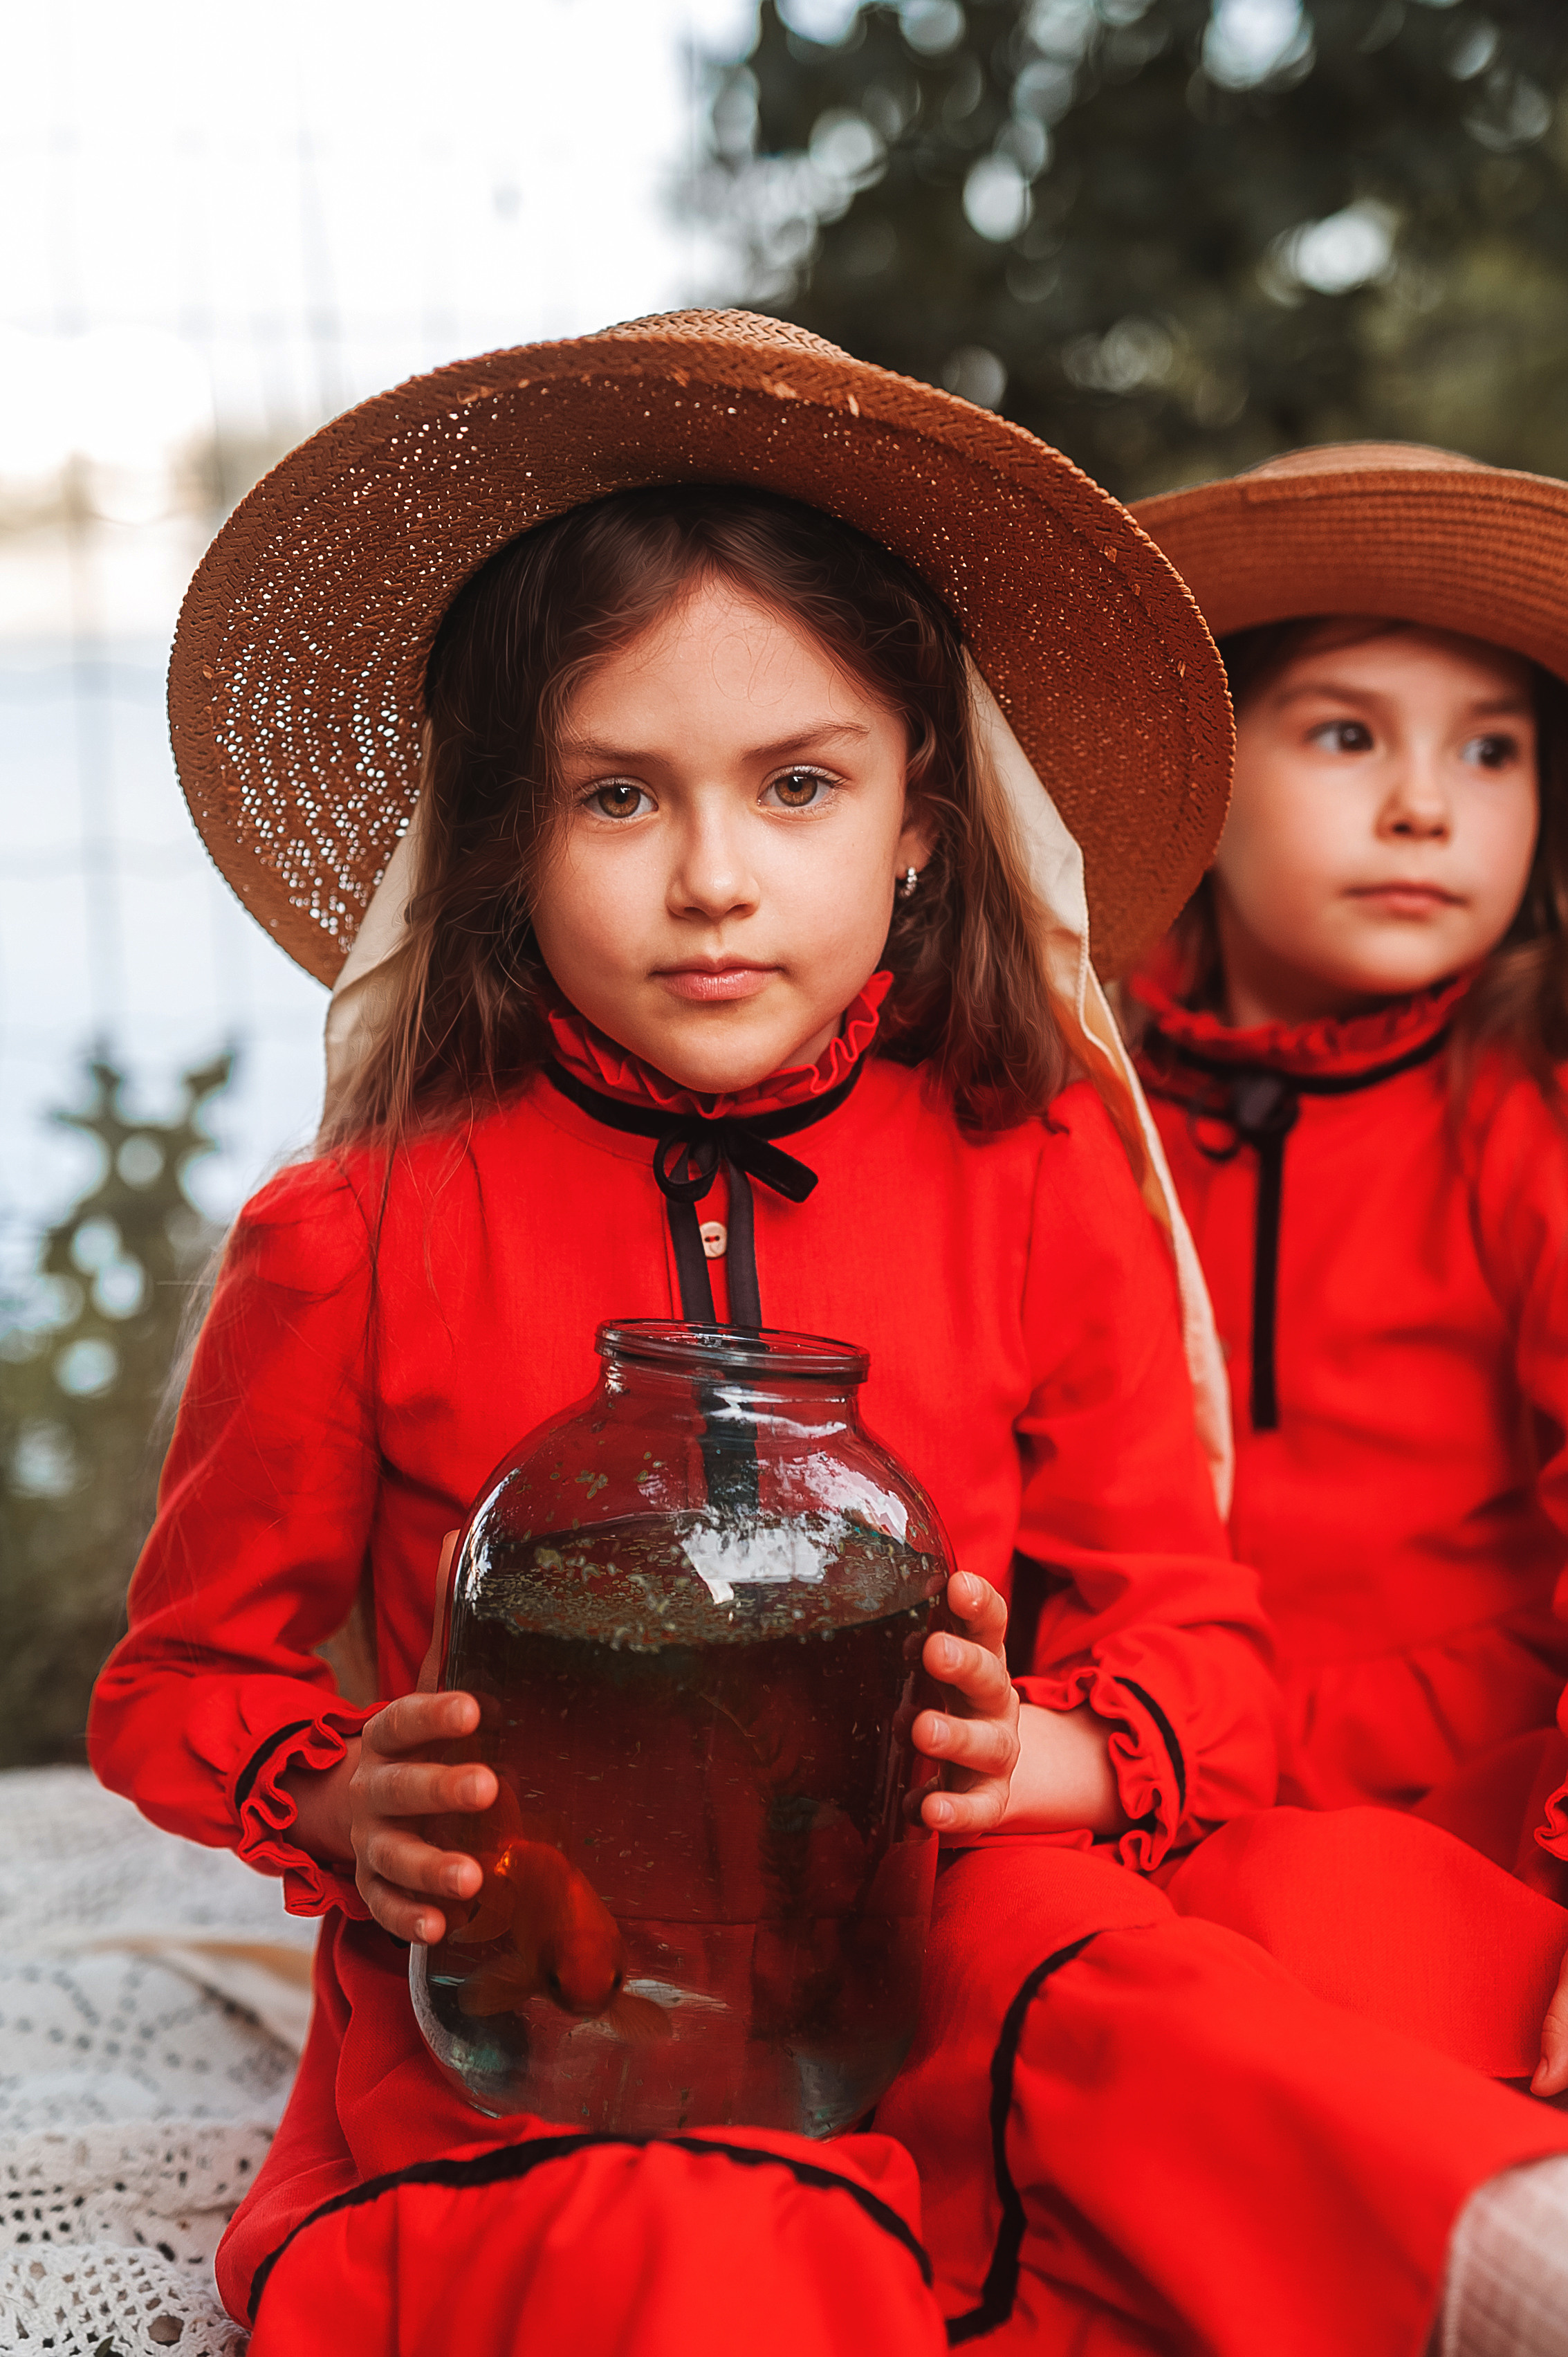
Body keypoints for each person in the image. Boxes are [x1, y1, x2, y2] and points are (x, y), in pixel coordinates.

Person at [89, 324, 1568, 2357]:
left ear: (918, 824)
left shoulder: (1035, 1168)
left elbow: (1196, 1640)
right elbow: (181, 1680)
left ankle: (1489, 2265)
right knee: (692, 2245)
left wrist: (1055, 1748)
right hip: (544, 1972)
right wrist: (336, 1799)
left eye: (798, 785)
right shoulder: (351, 1232)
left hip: (945, 1906)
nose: (714, 880)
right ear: (508, 841)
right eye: (620, 795)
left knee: (1137, 2003)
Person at [1129, 446, 1568, 2100]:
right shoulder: (1072, 1089)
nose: (1428, 806)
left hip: (1478, 1782)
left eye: (1493, 748)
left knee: (1323, 1992)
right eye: (1343, 732)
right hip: (1138, 1740)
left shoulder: (1527, 1110)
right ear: (1197, 763)